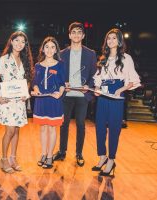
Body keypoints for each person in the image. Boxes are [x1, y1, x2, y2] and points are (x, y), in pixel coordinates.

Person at [92, 28, 140, 176]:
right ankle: (102, 157)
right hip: (103, 96)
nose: (110, 41)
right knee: (99, 128)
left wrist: (120, 90)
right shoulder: (103, 58)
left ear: (119, 41)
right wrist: (97, 88)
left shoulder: (126, 58)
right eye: (108, 38)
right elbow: (98, 78)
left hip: (117, 96)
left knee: (114, 130)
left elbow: (133, 81)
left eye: (114, 38)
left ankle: (111, 160)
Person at [53, 22, 97, 167]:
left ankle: (79, 153)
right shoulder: (62, 53)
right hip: (66, 94)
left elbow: (94, 75)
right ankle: (62, 151)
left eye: (79, 32)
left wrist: (88, 86)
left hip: (82, 96)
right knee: (63, 124)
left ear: (83, 35)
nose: (76, 34)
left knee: (80, 125)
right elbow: (58, 74)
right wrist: (62, 83)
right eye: (74, 32)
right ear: (70, 35)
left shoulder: (90, 53)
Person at [0, 31, 33, 173]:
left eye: (22, 42)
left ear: (25, 45)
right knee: (9, 130)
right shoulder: (3, 59)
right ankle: (3, 160)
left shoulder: (25, 60)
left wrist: (26, 93)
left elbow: (27, 80)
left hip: (20, 102)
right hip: (7, 101)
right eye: (17, 40)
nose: (19, 44)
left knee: (16, 130)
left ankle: (13, 158)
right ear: (11, 41)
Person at [31, 37, 65, 169]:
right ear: (43, 49)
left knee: (51, 128)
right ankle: (43, 154)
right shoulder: (38, 65)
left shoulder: (60, 64)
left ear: (56, 49)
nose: (49, 50)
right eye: (47, 47)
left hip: (54, 101)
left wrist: (60, 93)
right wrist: (36, 89)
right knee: (43, 128)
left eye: (52, 47)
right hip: (41, 100)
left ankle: (50, 156)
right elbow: (35, 82)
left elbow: (62, 83)